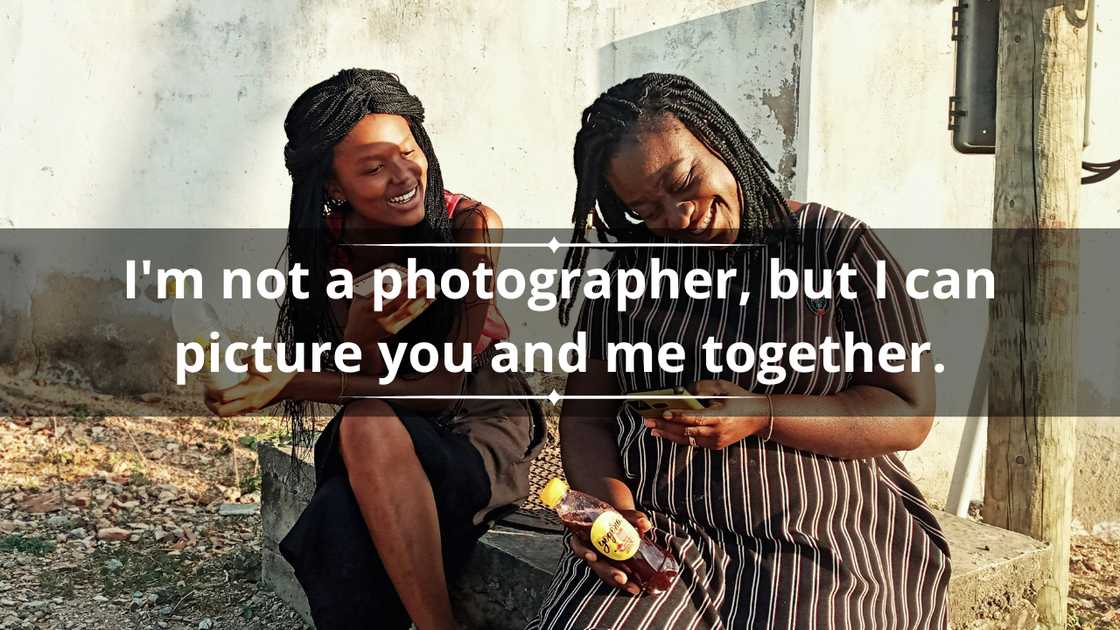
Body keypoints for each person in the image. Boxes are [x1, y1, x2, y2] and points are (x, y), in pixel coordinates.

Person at [528, 73, 950, 629]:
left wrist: (763, 414)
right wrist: (612, 514)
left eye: (683, 181)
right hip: (667, 530)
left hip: (822, 527)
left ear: (718, 140)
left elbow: (908, 413)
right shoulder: (630, 277)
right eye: (647, 211)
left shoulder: (835, 248)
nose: (677, 218)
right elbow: (586, 419)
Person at [205, 68, 545, 630]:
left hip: (480, 416)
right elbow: (363, 373)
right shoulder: (331, 245)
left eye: (410, 152)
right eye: (373, 169)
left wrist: (294, 383)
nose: (403, 176)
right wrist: (364, 332)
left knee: (338, 509)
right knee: (352, 474)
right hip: (387, 428)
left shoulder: (470, 227)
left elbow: (441, 388)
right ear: (333, 187)